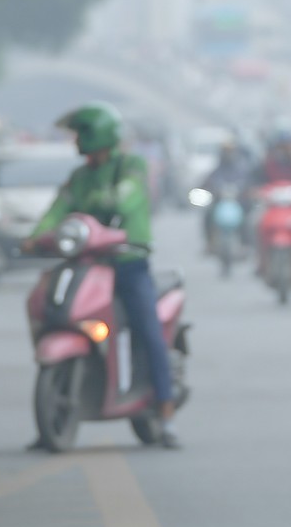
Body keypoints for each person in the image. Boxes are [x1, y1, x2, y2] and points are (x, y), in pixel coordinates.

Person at [28, 103, 179, 449]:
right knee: (52, 310)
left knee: (148, 329)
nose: (77, 140)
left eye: (81, 133)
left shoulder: (132, 166)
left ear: (99, 135)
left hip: (128, 263)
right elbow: (57, 210)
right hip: (88, 264)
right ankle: (53, 417)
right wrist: (37, 236)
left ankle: (166, 409)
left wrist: (105, 213)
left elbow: (128, 201)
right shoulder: (80, 177)